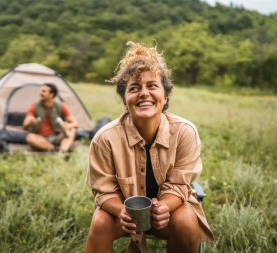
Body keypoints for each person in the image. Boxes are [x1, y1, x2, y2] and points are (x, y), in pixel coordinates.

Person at [84, 42, 214, 253]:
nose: (144, 93)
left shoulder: (184, 132)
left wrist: (164, 207)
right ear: (125, 101)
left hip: (169, 213)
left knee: (186, 219)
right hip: (124, 216)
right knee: (100, 221)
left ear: (165, 97)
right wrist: (122, 211)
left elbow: (180, 185)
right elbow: (104, 191)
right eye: (134, 88)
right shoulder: (105, 138)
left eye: (152, 86)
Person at [23, 83, 78, 152]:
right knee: (30, 137)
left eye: (44, 91)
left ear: (51, 95)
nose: (41, 93)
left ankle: (63, 151)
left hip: (56, 137)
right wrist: (29, 122)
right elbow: (24, 126)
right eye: (41, 91)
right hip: (40, 138)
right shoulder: (34, 106)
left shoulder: (61, 106)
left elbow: (75, 123)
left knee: (73, 130)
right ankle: (55, 149)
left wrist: (68, 126)